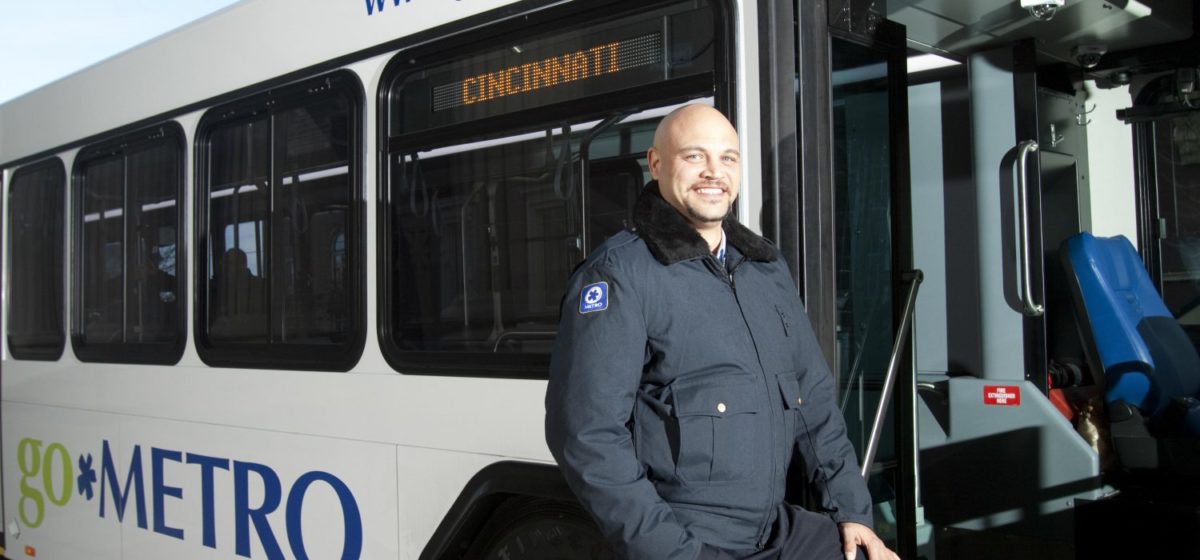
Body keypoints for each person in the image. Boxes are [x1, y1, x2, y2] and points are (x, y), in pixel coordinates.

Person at [545, 104, 900, 560]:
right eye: (694, 156)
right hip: (691, 536)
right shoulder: (621, 274)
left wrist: (852, 511)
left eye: (727, 158)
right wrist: (670, 551)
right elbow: (585, 435)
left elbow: (812, 402)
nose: (714, 172)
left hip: (776, 530)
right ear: (656, 164)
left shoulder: (765, 269)